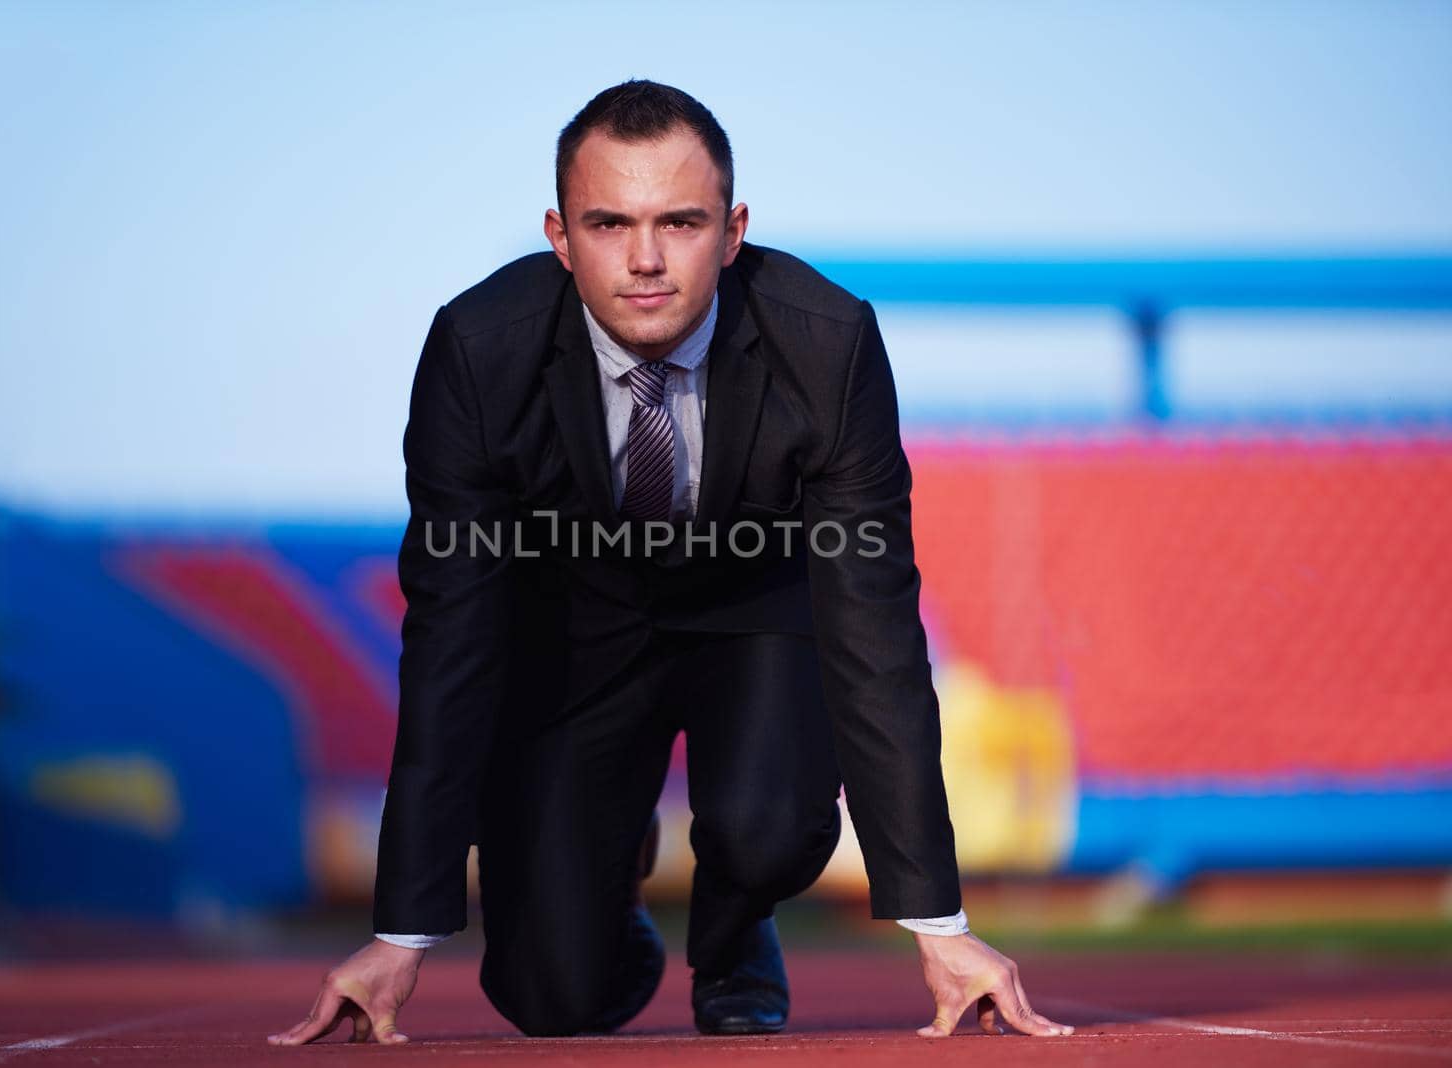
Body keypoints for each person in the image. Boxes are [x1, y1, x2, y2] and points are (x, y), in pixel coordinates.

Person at [269, 80, 1072, 1046]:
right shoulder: (478, 353)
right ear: (560, 238)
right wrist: (401, 930)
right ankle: (612, 878)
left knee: (768, 824)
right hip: (570, 628)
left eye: (679, 222)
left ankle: (736, 930)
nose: (646, 260)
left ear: (731, 231)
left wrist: (938, 924)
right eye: (609, 223)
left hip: (756, 612)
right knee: (554, 1001)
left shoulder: (828, 345)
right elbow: (449, 635)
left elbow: (874, 626)